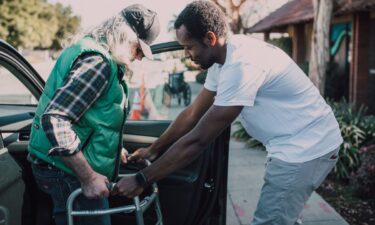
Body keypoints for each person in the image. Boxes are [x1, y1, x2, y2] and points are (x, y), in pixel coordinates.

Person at [112, 1, 343, 225]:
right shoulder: (222, 59)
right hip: (291, 145)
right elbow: (193, 113)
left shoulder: (241, 65)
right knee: (282, 215)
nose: (187, 54)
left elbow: (199, 139)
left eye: (189, 46)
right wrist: (154, 149)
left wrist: (143, 178)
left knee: (270, 220)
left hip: (306, 149)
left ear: (210, 38)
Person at [27, 4, 160, 225]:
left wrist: (115, 150)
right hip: (65, 171)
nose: (138, 58)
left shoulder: (92, 51)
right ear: (124, 36)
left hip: (59, 164)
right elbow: (56, 119)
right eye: (138, 50)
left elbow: (91, 117)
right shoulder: (98, 63)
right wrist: (88, 177)